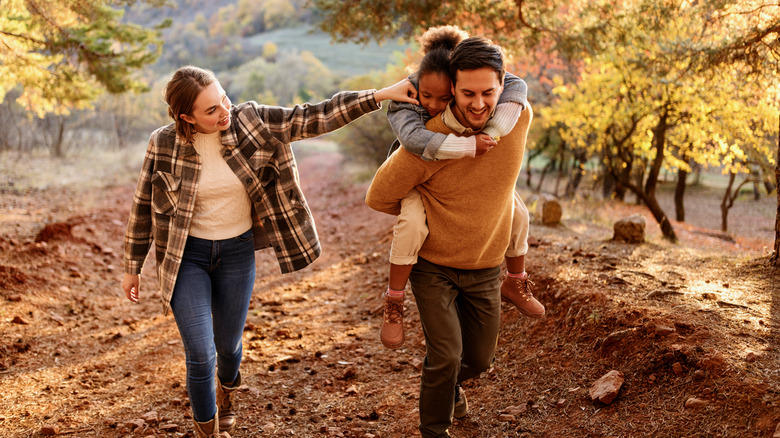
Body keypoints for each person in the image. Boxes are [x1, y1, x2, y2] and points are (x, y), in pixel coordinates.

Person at [121, 65, 418, 438]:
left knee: (227, 348)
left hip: (236, 253)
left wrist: (379, 95)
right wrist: (133, 265)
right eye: (210, 110)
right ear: (186, 117)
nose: (224, 111)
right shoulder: (163, 143)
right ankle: (209, 432)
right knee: (200, 353)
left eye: (223, 99)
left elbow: (314, 117)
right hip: (186, 258)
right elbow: (143, 204)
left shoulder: (252, 121)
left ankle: (227, 391)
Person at [365, 36, 533, 437]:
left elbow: (520, 92)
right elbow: (378, 195)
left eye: (488, 92)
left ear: (502, 85)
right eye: (467, 93)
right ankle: (434, 429)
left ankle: (453, 385)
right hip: (433, 268)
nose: (478, 104)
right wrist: (425, 206)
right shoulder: (428, 139)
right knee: (445, 355)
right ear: (452, 88)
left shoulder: (517, 117)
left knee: (479, 359)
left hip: (484, 265)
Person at [378, 26, 544, 350]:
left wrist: (496, 127)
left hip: (467, 171)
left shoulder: (484, 88)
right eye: (429, 96)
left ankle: (515, 280)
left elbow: (516, 85)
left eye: (445, 97)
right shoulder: (409, 94)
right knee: (411, 223)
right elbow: (413, 140)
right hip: (418, 174)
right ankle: (394, 300)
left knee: (517, 212)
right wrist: (465, 146)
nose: (435, 104)